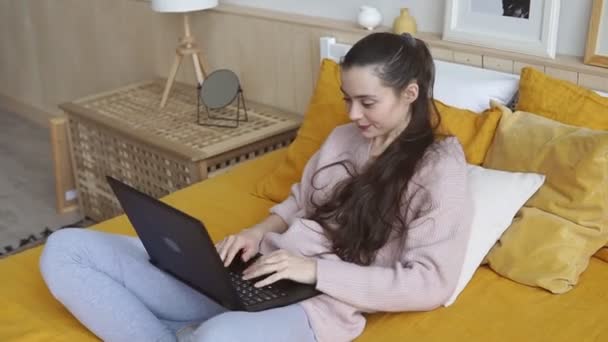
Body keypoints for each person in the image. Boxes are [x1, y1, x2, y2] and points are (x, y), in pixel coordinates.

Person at [40, 32, 472, 342]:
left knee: (215, 337)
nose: (353, 113)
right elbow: (298, 203)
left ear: (410, 93)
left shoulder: (439, 169)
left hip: (315, 305)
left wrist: (316, 271)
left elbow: (431, 283)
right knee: (66, 249)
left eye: (368, 102)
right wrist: (257, 232)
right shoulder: (343, 138)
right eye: (347, 99)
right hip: (256, 274)